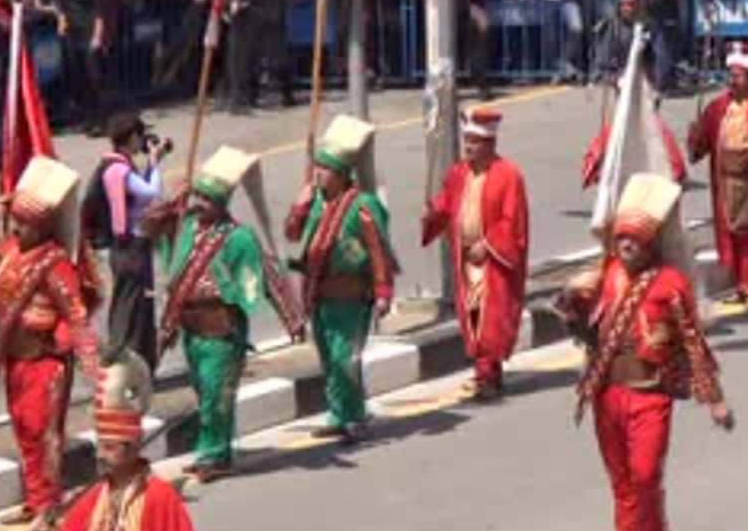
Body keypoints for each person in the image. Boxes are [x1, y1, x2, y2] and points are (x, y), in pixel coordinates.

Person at [558, 173, 734, 531]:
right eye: (621, 237)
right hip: (607, 395)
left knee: (645, 475)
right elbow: (584, 331)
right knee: (623, 485)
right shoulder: (603, 276)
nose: (626, 244)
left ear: (650, 242)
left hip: (649, 396)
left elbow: (691, 340)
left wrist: (714, 399)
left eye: (634, 238)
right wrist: (572, 305)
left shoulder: (669, 283)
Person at [145, 146, 306, 482]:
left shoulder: (238, 238)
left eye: (206, 198)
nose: (199, 203)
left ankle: (215, 455)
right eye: (198, 195)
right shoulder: (185, 227)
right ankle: (213, 449)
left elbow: (267, 276)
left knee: (218, 392)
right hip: (190, 327)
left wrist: (291, 317)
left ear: (220, 203)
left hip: (222, 327)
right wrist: (174, 200)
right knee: (204, 391)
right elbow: (148, 225)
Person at [0, 156, 101, 528]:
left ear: (42, 227)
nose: (18, 230)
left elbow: (74, 312)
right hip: (14, 358)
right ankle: (34, 498)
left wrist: (66, 347)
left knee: (46, 436)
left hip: (44, 360)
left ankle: (49, 506)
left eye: (23, 224)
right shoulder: (12, 250)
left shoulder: (55, 262)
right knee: (24, 431)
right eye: (16, 223)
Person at [285, 116, 397, 443]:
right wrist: (299, 208)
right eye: (316, 167)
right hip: (319, 292)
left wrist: (383, 291)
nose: (318, 174)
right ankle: (338, 413)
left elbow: (378, 249)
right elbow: (292, 235)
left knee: (345, 357)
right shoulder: (316, 203)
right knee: (328, 358)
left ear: (341, 173)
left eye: (325, 169)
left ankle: (355, 414)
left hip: (350, 294)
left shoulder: (362, 205)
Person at [421, 108, 529, 401]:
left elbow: (512, 221)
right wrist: (432, 214)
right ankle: (485, 372)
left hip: (493, 261)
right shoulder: (459, 173)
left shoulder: (509, 176)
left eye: (474, 142)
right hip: (466, 258)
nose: (468, 147)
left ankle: (488, 376)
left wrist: (489, 244)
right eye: (466, 141)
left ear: (490, 144)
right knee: (472, 316)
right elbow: (446, 204)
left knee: (490, 320)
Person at [57, 350, 195, 531]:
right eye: (100, 446)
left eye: (109, 447)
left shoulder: (160, 497)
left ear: (132, 448)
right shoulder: (91, 499)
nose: (100, 455)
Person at [686, 44, 748, 312]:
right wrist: (695, 139)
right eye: (731, 74)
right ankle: (741, 285)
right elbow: (703, 142)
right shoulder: (718, 107)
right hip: (725, 179)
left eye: (738, 75)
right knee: (733, 233)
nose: (732, 80)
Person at [97, 111, 168, 370]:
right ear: (132, 137)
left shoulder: (117, 167)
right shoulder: (118, 170)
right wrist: (155, 163)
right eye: (140, 136)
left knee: (137, 303)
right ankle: (123, 358)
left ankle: (138, 360)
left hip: (129, 246)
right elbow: (151, 193)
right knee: (131, 306)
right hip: (130, 248)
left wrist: (151, 164)